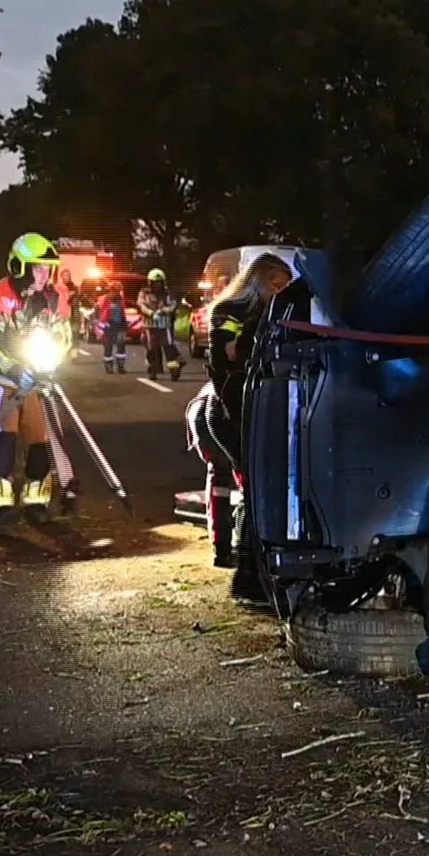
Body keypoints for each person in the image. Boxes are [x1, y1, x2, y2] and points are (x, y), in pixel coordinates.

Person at [185, 253, 297, 600]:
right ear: (259, 279)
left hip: (252, 413)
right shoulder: (230, 311)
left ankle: (254, 576)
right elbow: (224, 360)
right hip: (228, 413)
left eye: (286, 284)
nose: (282, 290)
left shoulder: (277, 314)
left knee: (259, 489)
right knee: (255, 490)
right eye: (276, 283)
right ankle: (248, 578)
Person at [0, 233, 75, 536]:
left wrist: (51, 365)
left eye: (47, 268)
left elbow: (64, 338)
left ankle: (36, 500)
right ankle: (0, 506)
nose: (43, 275)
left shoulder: (56, 298)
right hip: (2, 381)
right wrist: (13, 369)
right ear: (19, 267)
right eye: (37, 268)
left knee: (39, 441)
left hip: (37, 382)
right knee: (2, 439)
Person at [139, 269, 184, 382]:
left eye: (159, 282)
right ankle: (152, 370)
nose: (157, 285)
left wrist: (164, 310)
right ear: (150, 282)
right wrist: (151, 313)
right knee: (151, 348)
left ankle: (174, 370)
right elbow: (141, 305)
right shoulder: (144, 293)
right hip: (150, 325)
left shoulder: (168, 293)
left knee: (169, 347)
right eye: (155, 282)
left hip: (165, 325)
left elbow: (173, 305)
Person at [96, 280, 130, 374]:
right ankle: (108, 365)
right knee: (108, 346)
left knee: (121, 344)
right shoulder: (104, 299)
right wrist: (99, 325)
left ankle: (120, 365)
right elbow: (97, 310)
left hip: (119, 324)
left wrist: (125, 324)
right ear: (111, 290)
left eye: (119, 291)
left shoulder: (120, 299)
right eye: (116, 290)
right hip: (108, 325)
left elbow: (122, 312)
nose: (117, 293)